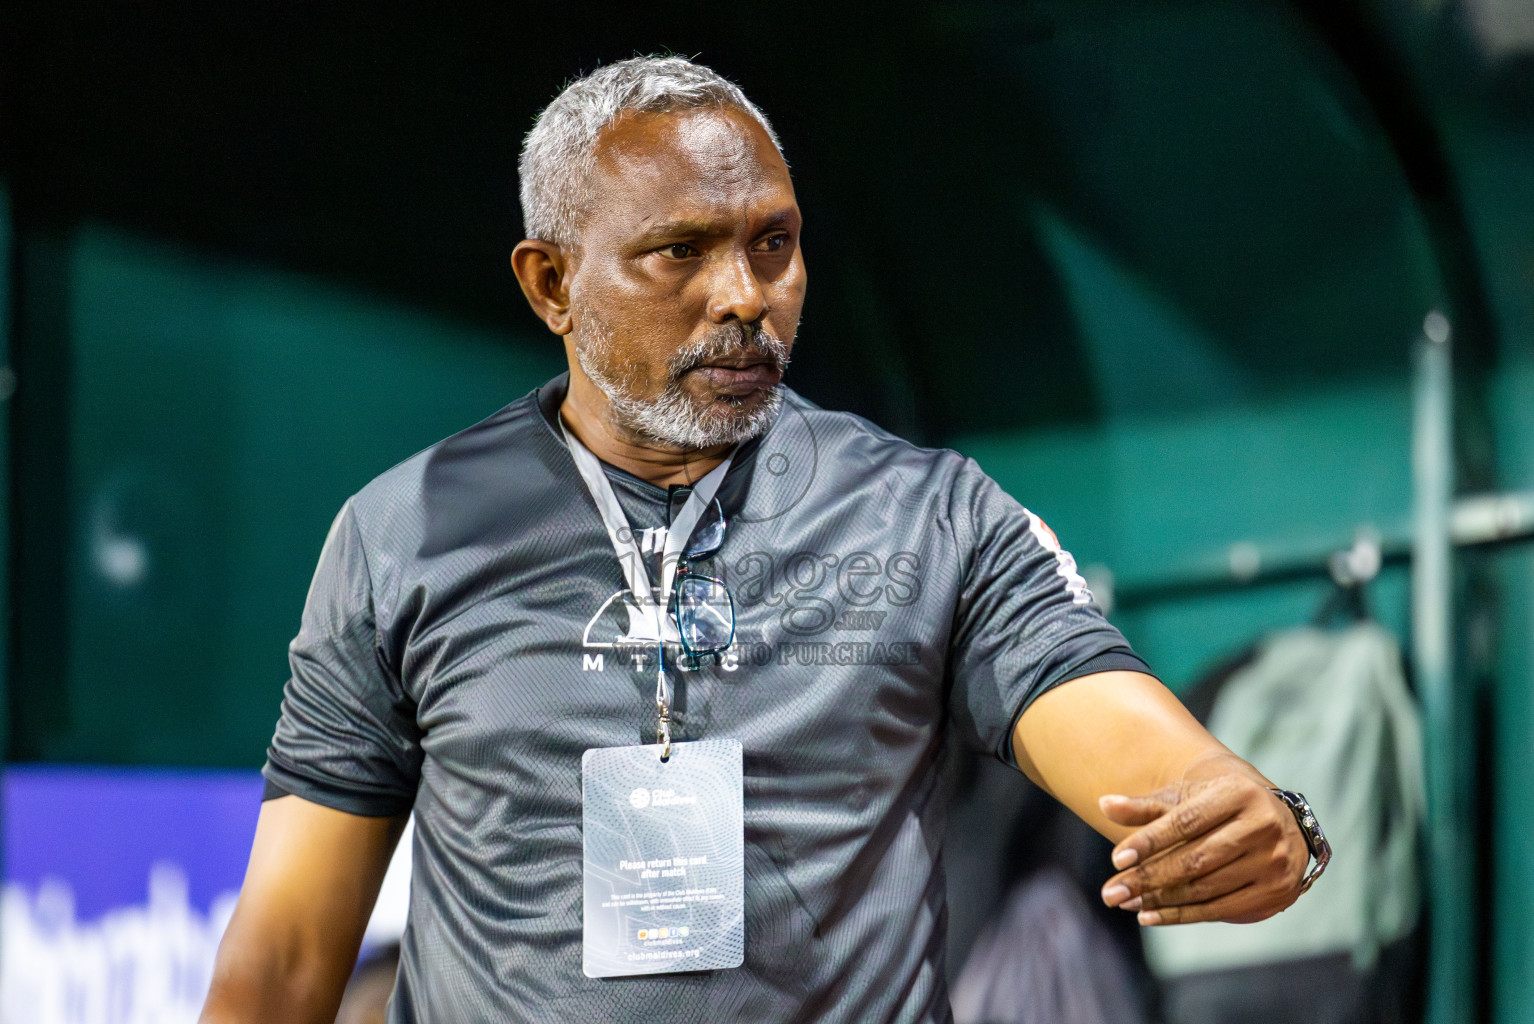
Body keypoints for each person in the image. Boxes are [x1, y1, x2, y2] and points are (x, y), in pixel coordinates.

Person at [199, 56, 1325, 1024]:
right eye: (679, 252)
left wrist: (1258, 818)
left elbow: (1145, 755)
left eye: (773, 244)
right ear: (552, 284)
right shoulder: (405, 533)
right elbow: (289, 956)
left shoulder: (932, 515)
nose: (744, 295)